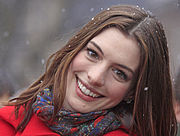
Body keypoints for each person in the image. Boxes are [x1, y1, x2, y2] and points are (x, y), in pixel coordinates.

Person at [0, 5, 177, 136]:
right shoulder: (7, 120)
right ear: (75, 49)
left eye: (119, 73)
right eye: (93, 53)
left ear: (132, 91)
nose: (95, 77)